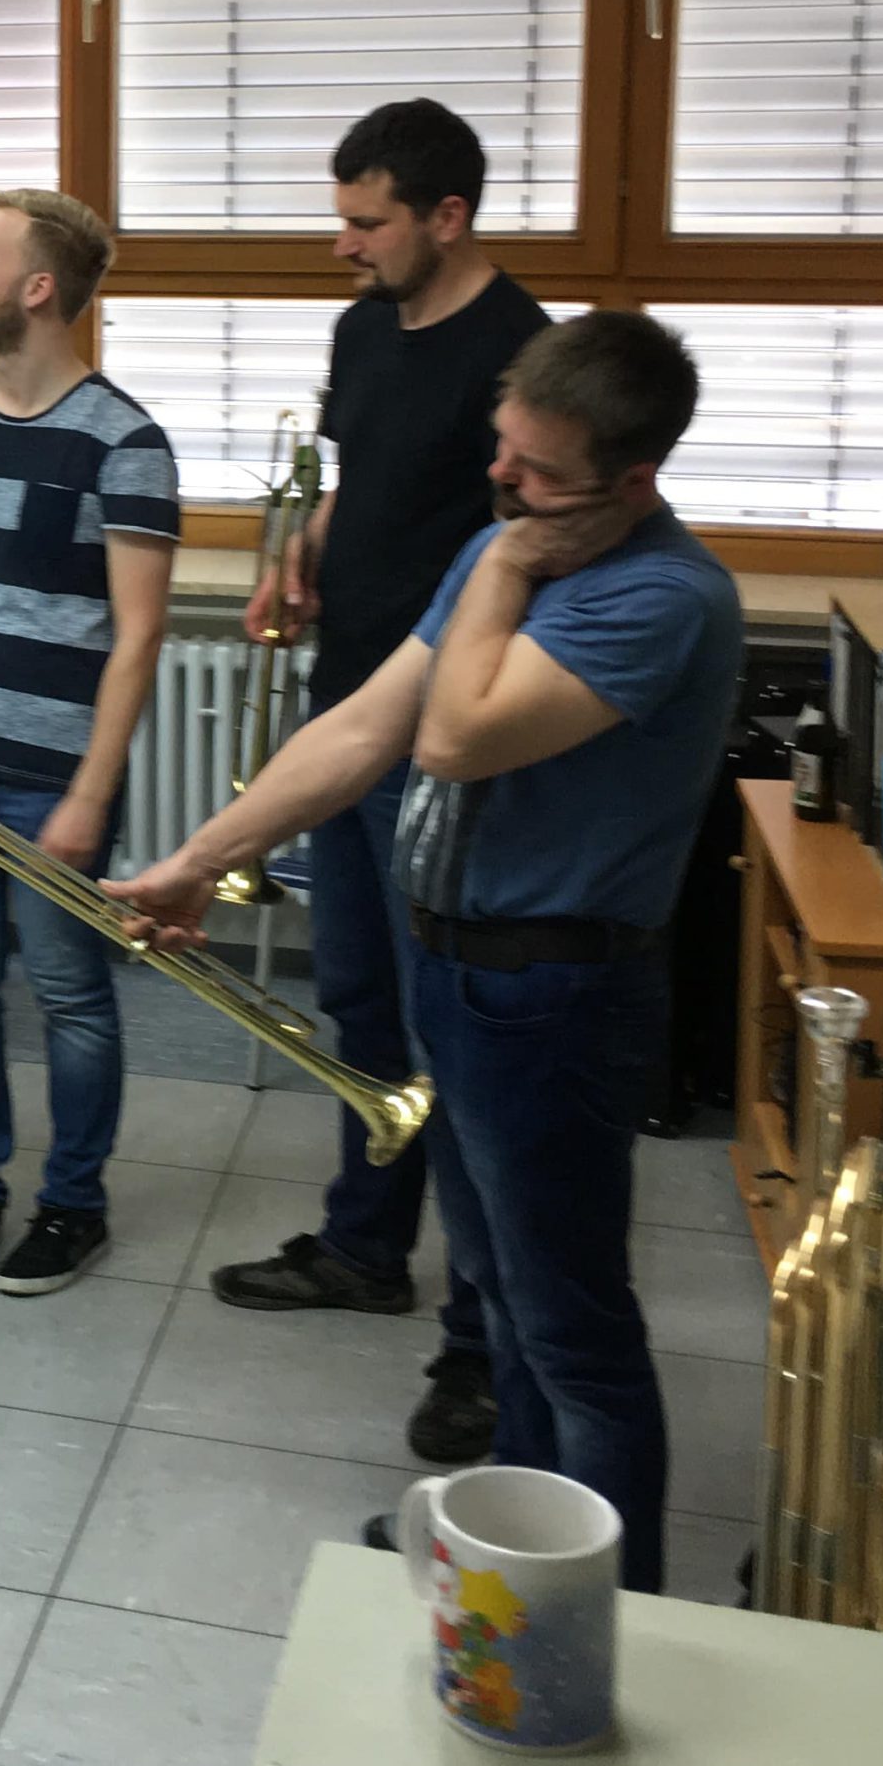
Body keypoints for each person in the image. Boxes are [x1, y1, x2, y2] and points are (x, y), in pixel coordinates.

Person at [112, 313, 741, 1594]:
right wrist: (198, 861)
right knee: (501, 1297)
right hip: (453, 973)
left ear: (632, 480)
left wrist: (502, 565)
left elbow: (452, 736)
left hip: (554, 996)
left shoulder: (661, 595)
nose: (500, 478)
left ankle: (608, 1615)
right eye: (502, 448)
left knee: (573, 1329)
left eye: (537, 470)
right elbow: (364, 729)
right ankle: (516, 1555)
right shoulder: (511, 541)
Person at [210, 98, 549, 1468]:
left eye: (367, 222)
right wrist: (305, 558)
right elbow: (367, 481)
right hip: (345, 699)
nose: (343, 245)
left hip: (440, 740)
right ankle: (364, 1247)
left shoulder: (523, 352)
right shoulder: (365, 328)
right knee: (357, 1004)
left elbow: (526, 545)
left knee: (444, 1033)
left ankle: (479, 1342)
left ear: (446, 218)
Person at [0, 192, 176, 1297]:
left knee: (68, 994)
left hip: (56, 776)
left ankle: (72, 1206)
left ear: (38, 288)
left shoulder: (126, 442)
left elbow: (138, 635)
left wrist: (92, 793)